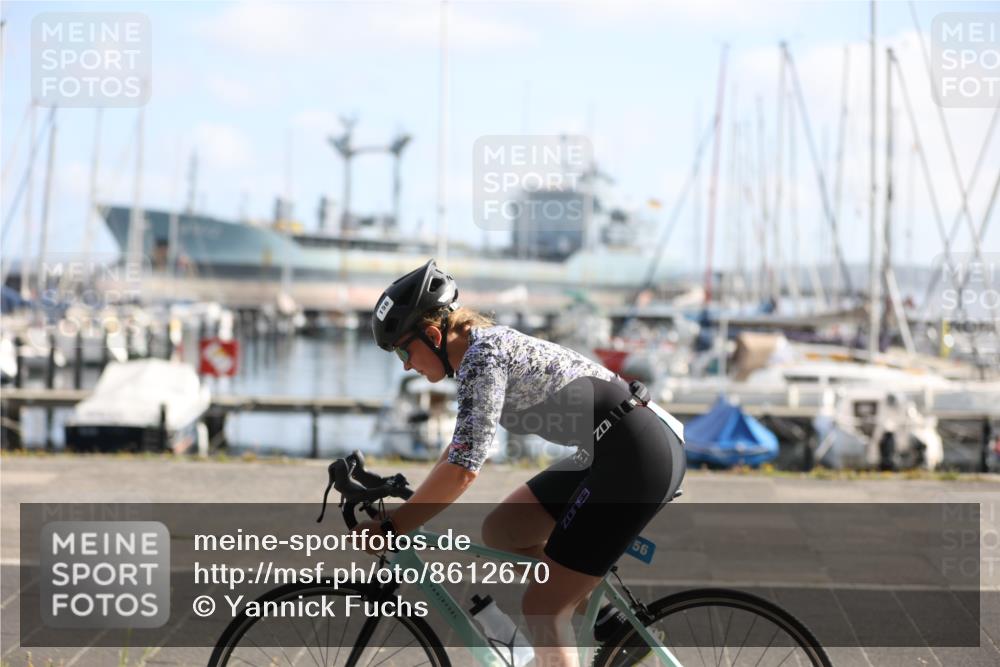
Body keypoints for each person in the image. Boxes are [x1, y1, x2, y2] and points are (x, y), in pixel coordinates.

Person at [354, 259, 685, 667]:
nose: (406, 364)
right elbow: (461, 449)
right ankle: (612, 624)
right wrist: (414, 504)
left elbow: (463, 471)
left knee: (544, 604)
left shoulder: (482, 357)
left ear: (434, 334)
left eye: (404, 350)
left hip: (635, 455)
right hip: (614, 448)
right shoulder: (476, 352)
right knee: (503, 529)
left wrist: (395, 525)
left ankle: (594, 618)